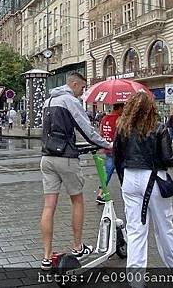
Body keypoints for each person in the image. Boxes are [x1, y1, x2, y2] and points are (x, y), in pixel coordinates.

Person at [39, 72, 112, 271]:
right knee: (77, 200)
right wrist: (108, 144)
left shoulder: (48, 101)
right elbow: (86, 129)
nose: (82, 93)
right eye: (82, 88)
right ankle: (78, 246)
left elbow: (49, 131)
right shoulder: (69, 100)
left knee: (49, 207)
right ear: (74, 84)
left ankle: (46, 257)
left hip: (47, 158)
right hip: (66, 159)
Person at [113, 91, 173, 276]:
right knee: (164, 228)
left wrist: (123, 179)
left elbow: (117, 156)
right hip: (154, 179)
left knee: (135, 230)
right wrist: (171, 162)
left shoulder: (122, 127)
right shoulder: (159, 128)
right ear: (150, 108)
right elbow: (167, 158)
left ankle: (136, 280)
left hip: (129, 178)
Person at [95, 103, 124, 203]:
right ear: (119, 108)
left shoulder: (104, 118)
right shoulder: (119, 119)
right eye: (122, 108)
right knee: (123, 172)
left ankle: (100, 192)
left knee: (107, 173)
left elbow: (101, 133)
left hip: (108, 149)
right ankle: (126, 192)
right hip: (118, 150)